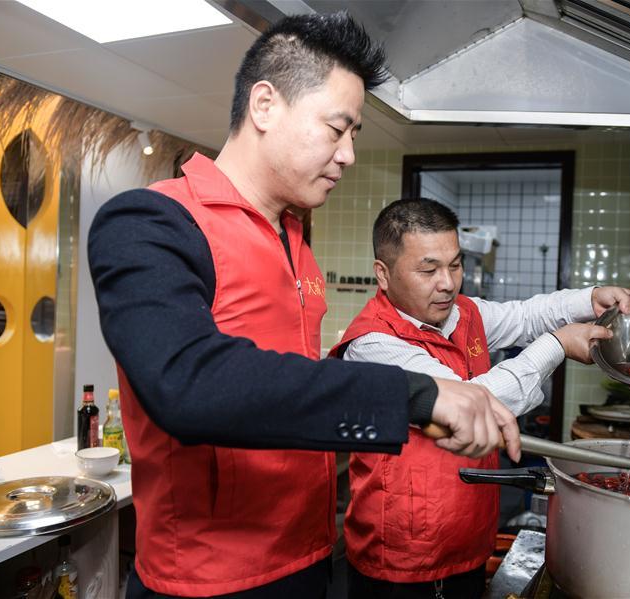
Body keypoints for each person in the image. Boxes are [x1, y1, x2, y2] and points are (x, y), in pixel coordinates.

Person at [88, 14, 521, 599]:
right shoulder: (153, 222)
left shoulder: (296, 243)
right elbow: (189, 383)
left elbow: (289, 387)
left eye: (355, 135)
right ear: (265, 106)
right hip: (209, 580)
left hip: (310, 557)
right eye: (335, 129)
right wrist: (417, 394)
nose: (347, 155)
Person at [330, 198, 630, 599]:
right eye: (428, 269)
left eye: (455, 265)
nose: (448, 283)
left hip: (467, 544)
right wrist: (558, 344)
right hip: (403, 561)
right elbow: (474, 402)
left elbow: (525, 316)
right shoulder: (373, 345)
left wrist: (588, 299)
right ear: (383, 275)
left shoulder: (460, 314)